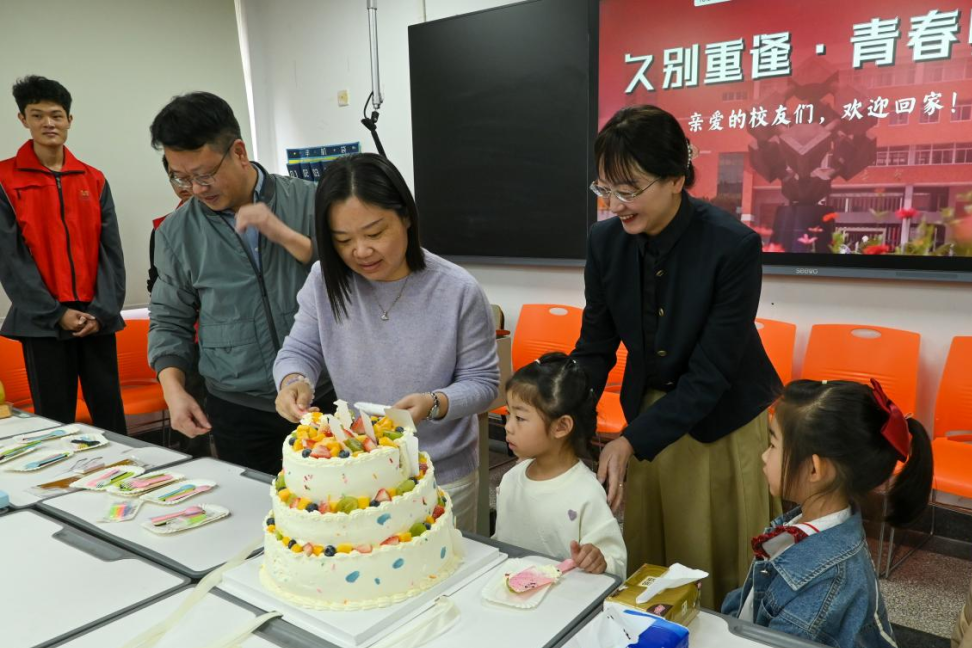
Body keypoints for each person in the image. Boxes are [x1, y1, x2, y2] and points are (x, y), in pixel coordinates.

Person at [571, 104, 781, 607]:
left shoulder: (732, 246)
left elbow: (712, 373)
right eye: (606, 189)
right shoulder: (604, 242)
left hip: (722, 420)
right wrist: (564, 416)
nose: (615, 205)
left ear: (675, 178)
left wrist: (630, 440)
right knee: (653, 552)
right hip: (648, 416)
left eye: (629, 189)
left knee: (714, 555)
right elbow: (596, 345)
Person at [273, 152, 498, 533]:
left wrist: (434, 403)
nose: (361, 251)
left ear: (406, 217)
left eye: (375, 233)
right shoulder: (325, 281)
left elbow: (484, 384)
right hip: (358, 473)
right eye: (343, 240)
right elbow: (299, 350)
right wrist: (294, 380)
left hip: (441, 472)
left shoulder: (457, 289)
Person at [148, 91, 334, 474]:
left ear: (238, 152)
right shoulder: (176, 232)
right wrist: (174, 390)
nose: (196, 189)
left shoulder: (311, 201)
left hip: (323, 391)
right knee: (255, 504)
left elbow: (355, 278)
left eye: (204, 175)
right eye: (180, 177)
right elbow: (169, 319)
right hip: (238, 406)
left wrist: (287, 237)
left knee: (341, 501)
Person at [722, 379, 933, 648]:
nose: (764, 456)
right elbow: (749, 601)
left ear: (814, 469)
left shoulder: (823, 588)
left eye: (773, 445)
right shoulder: (802, 524)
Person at [0, 75, 127, 434]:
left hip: (96, 317)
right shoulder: (5, 179)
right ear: (23, 119)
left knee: (110, 415)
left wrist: (102, 311)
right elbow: (9, 258)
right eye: (37, 115)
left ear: (69, 119)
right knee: (55, 421)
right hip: (44, 322)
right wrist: (56, 313)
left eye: (56, 115)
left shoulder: (93, 178)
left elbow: (111, 252)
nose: (48, 123)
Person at [494, 352, 626, 578]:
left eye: (520, 418)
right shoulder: (511, 478)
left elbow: (615, 562)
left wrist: (599, 560)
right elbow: (502, 545)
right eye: (508, 415)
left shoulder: (586, 493)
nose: (508, 426)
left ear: (561, 426)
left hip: (566, 596)